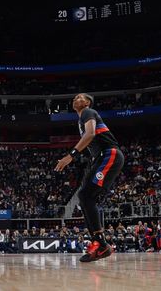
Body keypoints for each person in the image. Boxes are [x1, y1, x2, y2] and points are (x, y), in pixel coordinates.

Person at [54, 93, 124, 262]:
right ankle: (99, 242)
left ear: (87, 102)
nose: (75, 99)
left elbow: (91, 134)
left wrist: (71, 155)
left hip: (110, 154)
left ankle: (101, 243)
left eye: (80, 97)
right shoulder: (81, 119)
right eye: (74, 98)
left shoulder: (88, 112)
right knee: (84, 196)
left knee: (86, 195)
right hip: (99, 158)